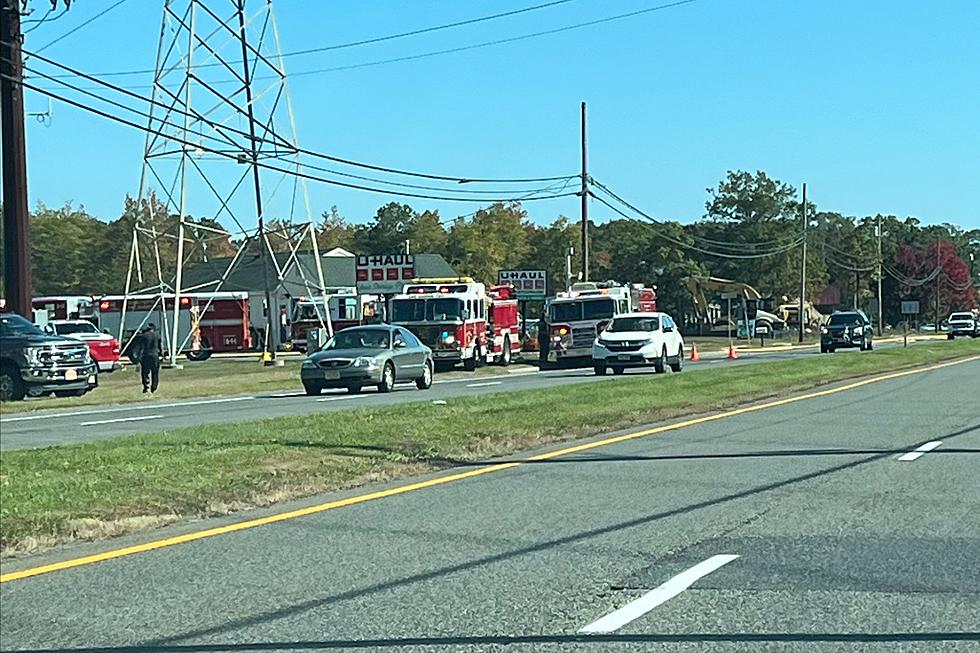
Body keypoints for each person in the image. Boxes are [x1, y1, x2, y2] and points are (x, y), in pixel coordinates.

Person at [138, 323, 163, 394]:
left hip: (146, 355)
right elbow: (160, 346)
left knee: (144, 372)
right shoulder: (157, 335)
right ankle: (154, 387)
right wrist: (162, 355)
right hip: (155, 355)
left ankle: (146, 386)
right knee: (155, 373)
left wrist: (139, 357)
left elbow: (141, 347)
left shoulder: (144, 336)